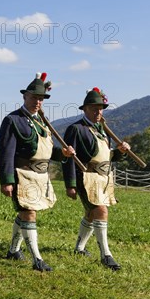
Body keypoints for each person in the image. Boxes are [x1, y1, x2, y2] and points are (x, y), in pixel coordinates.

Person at [0, 73, 75, 272]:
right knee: (29, 213)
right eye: (34, 97)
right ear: (25, 97)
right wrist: (6, 181)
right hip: (22, 174)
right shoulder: (13, 120)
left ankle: (13, 250)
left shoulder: (43, 122)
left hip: (41, 175)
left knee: (26, 213)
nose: (38, 102)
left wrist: (63, 153)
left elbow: (46, 151)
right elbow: (5, 152)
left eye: (41, 99)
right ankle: (37, 258)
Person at [63, 87, 130, 271]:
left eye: (101, 108)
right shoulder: (76, 129)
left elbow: (108, 156)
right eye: (94, 108)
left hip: (104, 178)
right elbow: (68, 158)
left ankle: (79, 247)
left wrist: (120, 152)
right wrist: (70, 184)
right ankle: (106, 255)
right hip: (86, 177)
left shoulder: (103, 130)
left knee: (92, 214)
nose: (98, 111)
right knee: (101, 211)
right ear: (85, 109)